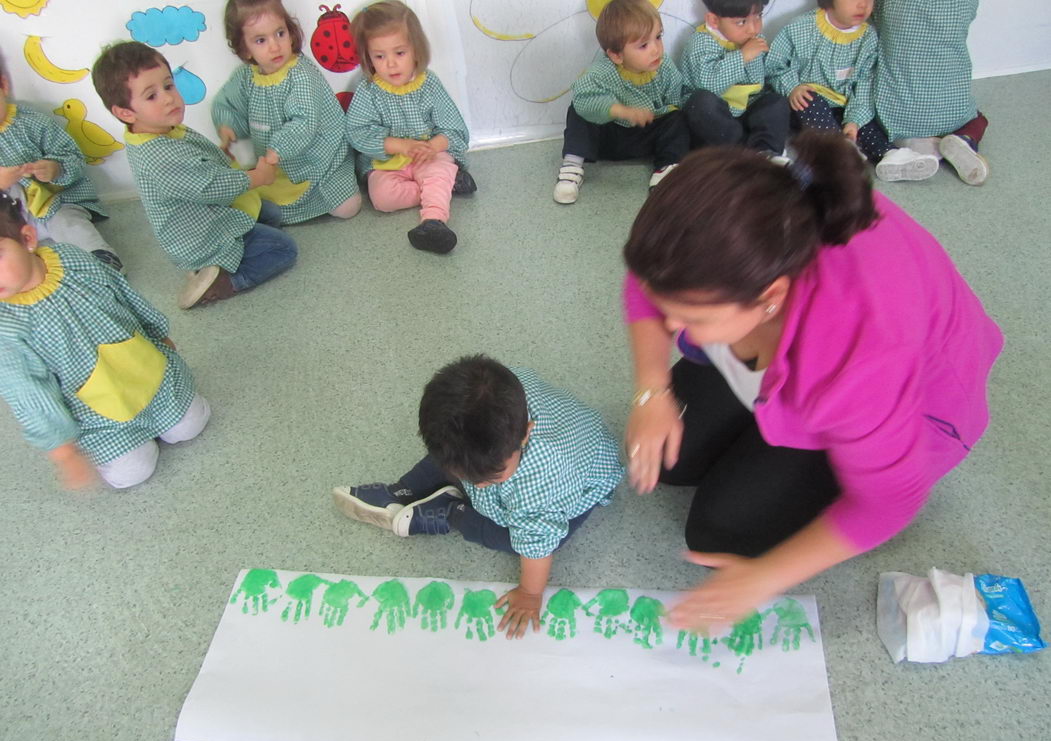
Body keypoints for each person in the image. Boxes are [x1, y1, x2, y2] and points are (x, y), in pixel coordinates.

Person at [620, 130, 1002, 630]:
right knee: (671, 461)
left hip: (911, 406)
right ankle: (760, 410)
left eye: (692, 317)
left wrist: (763, 578)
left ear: (770, 298)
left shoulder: (858, 362)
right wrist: (652, 389)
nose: (669, 326)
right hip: (784, 356)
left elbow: (890, 501)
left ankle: (797, 441)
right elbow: (648, 282)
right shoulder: (730, 233)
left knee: (717, 533)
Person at [332, 356, 624, 639]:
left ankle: (452, 511)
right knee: (456, 454)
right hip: (518, 449)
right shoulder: (502, 399)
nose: (480, 488)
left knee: (529, 540)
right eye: (469, 479)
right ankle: (402, 490)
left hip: (581, 480)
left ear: (526, 435)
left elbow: (538, 547)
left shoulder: (544, 481)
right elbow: (466, 452)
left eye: (491, 477)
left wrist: (530, 594)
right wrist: (475, 471)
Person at [0, 191, 209, 489]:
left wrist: (158, 331)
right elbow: (28, 394)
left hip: (148, 376)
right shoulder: (6, 329)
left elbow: (123, 293)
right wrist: (63, 450)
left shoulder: (71, 257)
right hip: (98, 418)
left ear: (28, 238)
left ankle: (164, 414)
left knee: (191, 426)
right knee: (132, 474)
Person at [92, 42, 298, 309]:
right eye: (151, 95)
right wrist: (258, 177)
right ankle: (224, 281)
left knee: (270, 213)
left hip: (208, 216)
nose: (168, 98)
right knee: (284, 250)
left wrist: (222, 156)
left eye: (168, 85)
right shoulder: (157, 155)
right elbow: (211, 186)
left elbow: (197, 165)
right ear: (125, 112)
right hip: (201, 238)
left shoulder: (160, 129)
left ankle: (224, 260)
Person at [346, 0, 475, 255]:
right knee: (382, 199)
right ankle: (444, 186)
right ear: (368, 57)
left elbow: (453, 127)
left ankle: (433, 221)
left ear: (416, 49)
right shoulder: (369, 89)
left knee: (439, 167)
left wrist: (434, 146)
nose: (390, 64)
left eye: (399, 53)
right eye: (379, 56)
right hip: (388, 162)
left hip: (428, 155)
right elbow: (357, 132)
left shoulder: (429, 84)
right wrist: (399, 145)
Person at [214, 0, 362, 222]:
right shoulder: (246, 77)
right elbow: (227, 102)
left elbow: (304, 122)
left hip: (323, 158)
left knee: (347, 208)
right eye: (261, 40)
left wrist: (277, 150)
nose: (274, 46)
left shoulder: (301, 74)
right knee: (258, 201)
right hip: (280, 166)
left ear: (290, 32)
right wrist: (227, 126)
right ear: (245, 49)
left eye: (280, 33)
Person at [765, 0, 938, 182]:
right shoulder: (800, 28)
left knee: (865, 122)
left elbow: (865, 83)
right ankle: (839, 151)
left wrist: (854, 121)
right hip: (805, 102)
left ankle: (889, 154)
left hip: (842, 102)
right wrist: (792, 87)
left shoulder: (868, 37)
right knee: (809, 101)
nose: (863, 5)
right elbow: (774, 66)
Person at [553, 0, 689, 204]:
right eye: (643, 45)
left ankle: (666, 168)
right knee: (578, 110)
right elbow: (583, 97)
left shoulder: (665, 66)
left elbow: (675, 97)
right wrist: (619, 110)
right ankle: (572, 166)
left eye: (658, 37)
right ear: (616, 55)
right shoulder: (603, 72)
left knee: (677, 118)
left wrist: (665, 113)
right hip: (609, 137)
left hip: (644, 135)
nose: (656, 50)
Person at [0, 52, 120, 271]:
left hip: (52, 206)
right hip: (7, 224)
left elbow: (71, 155)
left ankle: (101, 261)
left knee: (69, 222)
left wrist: (55, 168)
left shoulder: (32, 123)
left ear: (3, 86)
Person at [872, 0, 989, 186]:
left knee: (868, 116)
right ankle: (965, 140)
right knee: (979, 118)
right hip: (951, 112)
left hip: (897, 115)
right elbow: (971, 14)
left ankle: (909, 144)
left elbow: (874, 16)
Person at [679, 0, 789, 155]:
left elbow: (772, 71)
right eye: (741, 22)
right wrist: (742, 56)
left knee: (776, 102)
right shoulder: (700, 42)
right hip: (717, 120)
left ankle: (766, 152)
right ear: (714, 21)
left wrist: (792, 86)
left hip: (747, 111)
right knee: (701, 103)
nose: (753, 28)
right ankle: (738, 152)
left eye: (758, 16)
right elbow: (709, 86)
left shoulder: (755, 39)